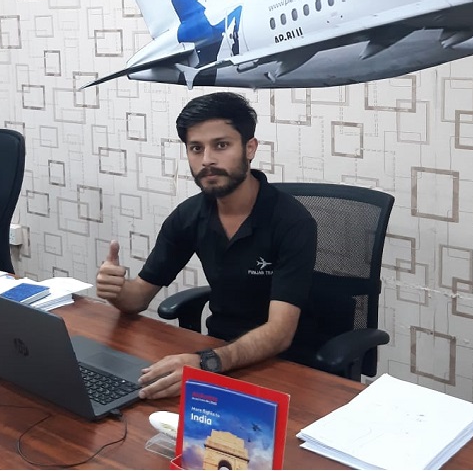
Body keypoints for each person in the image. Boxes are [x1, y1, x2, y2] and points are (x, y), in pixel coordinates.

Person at [96, 92, 317, 399]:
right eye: (196, 148)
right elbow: (138, 298)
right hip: (217, 354)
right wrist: (117, 291)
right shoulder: (189, 215)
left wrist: (206, 362)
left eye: (221, 145)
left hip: (286, 367)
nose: (207, 160)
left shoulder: (292, 221)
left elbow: (280, 334)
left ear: (250, 148)